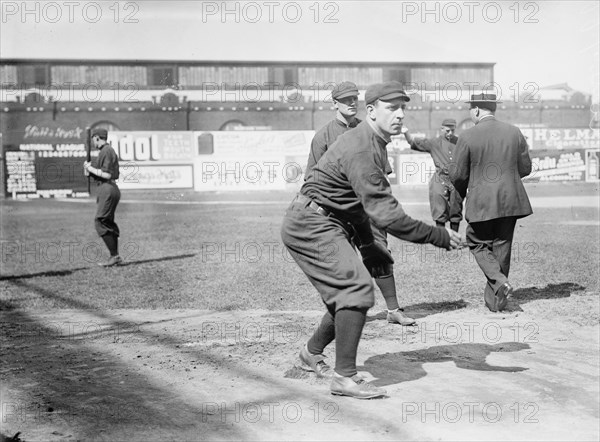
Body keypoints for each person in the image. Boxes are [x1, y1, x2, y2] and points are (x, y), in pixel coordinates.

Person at [281, 81, 461, 399]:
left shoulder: (375, 142)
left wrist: (367, 245)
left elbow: (358, 205)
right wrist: (439, 235)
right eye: (392, 108)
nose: (401, 114)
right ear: (371, 111)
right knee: (356, 289)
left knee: (349, 292)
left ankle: (311, 353)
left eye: (403, 107)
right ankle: (344, 378)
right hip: (311, 221)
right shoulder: (362, 146)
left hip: (331, 220)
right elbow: (388, 215)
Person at [307, 81, 415, 326]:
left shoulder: (371, 130)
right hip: (339, 210)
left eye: (354, 98)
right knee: (343, 264)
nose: (351, 103)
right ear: (334, 103)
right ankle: (345, 316)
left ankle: (393, 309)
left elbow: (381, 171)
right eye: (345, 100)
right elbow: (313, 179)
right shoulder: (323, 136)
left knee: (379, 254)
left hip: (367, 209)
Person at [450, 93, 533, 312]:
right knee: (502, 248)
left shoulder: (467, 136)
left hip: (482, 201)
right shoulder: (514, 132)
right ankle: (496, 302)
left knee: (476, 241)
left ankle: (499, 282)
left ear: (476, 110)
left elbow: (457, 176)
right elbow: (525, 168)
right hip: (511, 200)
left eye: (470, 109)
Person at [403, 118, 463, 232]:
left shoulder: (460, 142)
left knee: (456, 209)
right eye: (447, 130)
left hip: (455, 179)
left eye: (452, 130)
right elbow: (412, 141)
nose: (450, 133)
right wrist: (406, 132)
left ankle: (455, 238)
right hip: (440, 178)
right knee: (439, 208)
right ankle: (443, 238)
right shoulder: (434, 142)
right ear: (442, 129)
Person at [83, 128, 122, 267]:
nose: (93, 141)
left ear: (97, 138)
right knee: (107, 222)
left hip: (108, 187)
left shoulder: (106, 150)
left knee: (100, 220)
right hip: (107, 188)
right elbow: (99, 174)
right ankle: (115, 256)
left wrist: (91, 169)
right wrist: (89, 171)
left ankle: (114, 256)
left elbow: (107, 174)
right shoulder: (105, 151)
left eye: (93, 138)